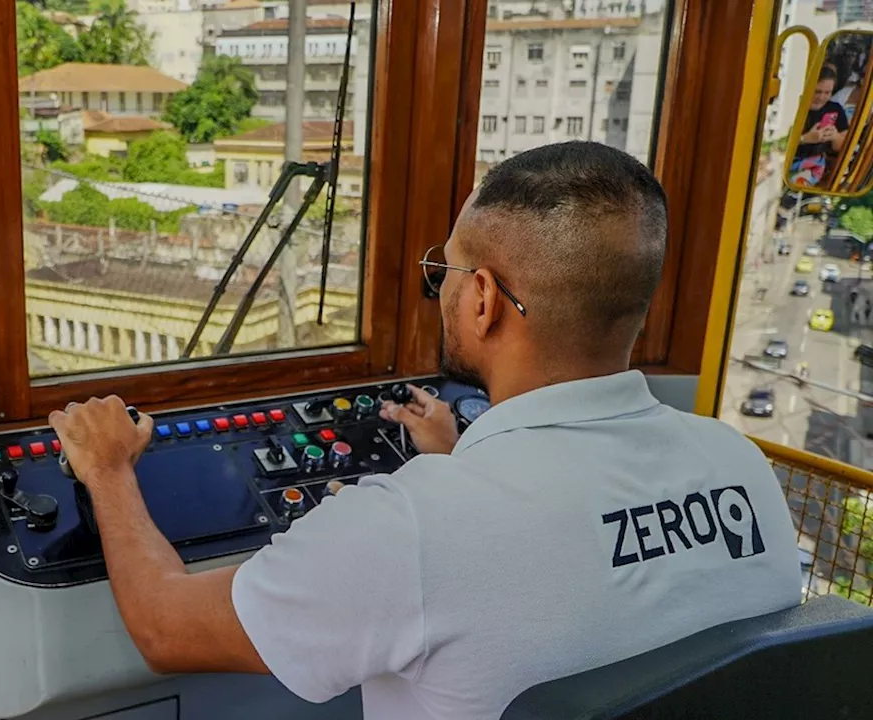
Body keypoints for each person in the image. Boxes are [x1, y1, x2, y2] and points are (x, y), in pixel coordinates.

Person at [50, 142, 803, 720]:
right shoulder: (739, 466)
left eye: (443, 269)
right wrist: (460, 458)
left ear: (483, 300)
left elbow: (165, 629)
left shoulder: (412, 527)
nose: (436, 285)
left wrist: (109, 468)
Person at [791, 66, 850, 188]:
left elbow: (844, 146)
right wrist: (805, 139)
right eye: (817, 92)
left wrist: (835, 136)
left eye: (827, 93)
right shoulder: (793, 106)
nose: (822, 97)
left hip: (814, 166)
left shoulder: (836, 110)